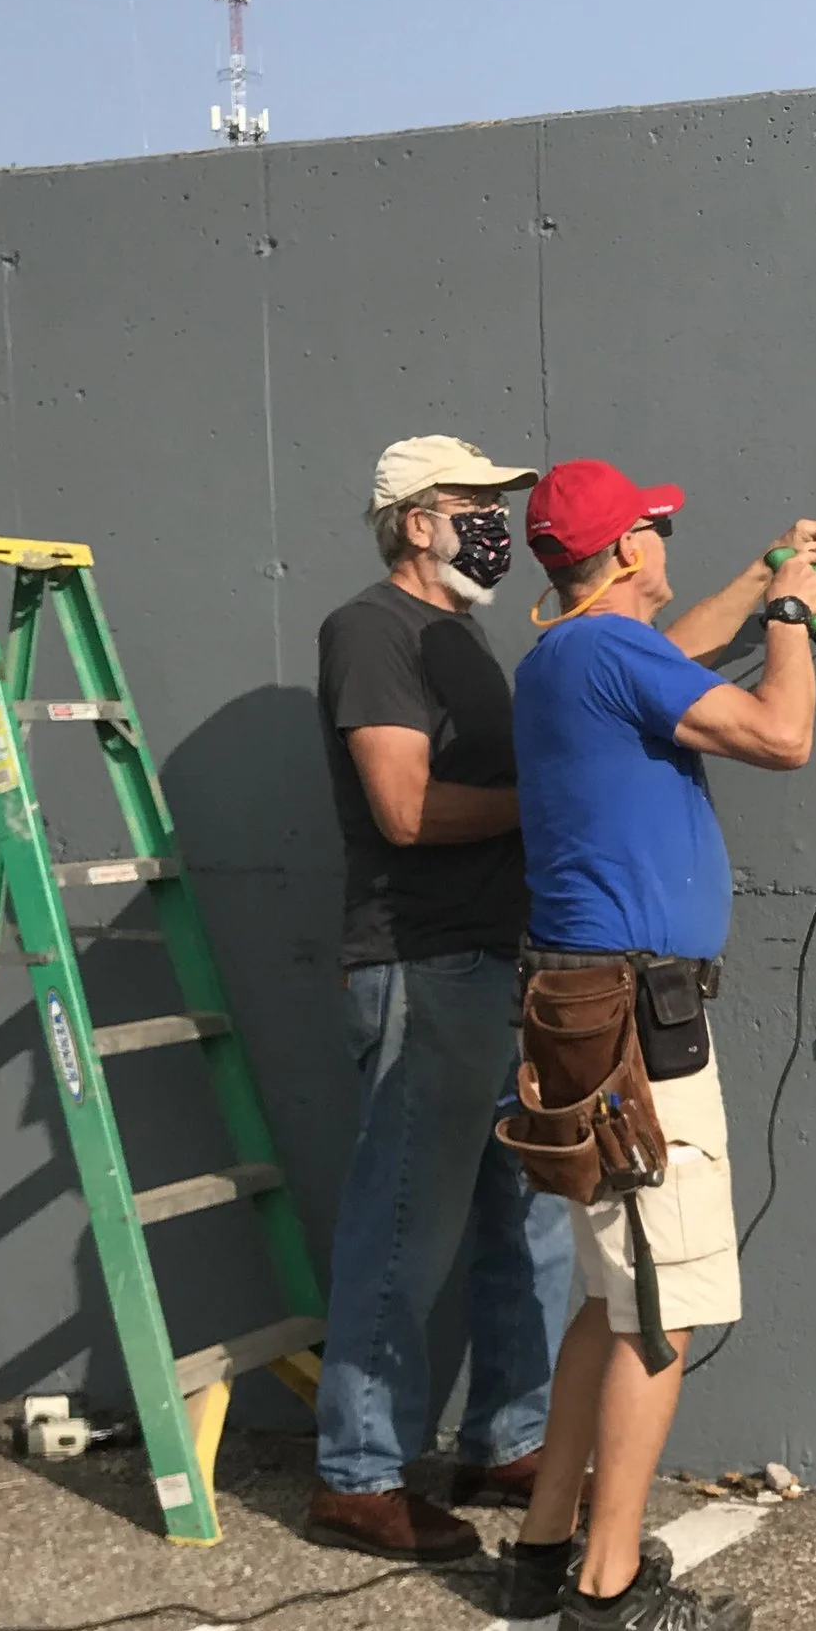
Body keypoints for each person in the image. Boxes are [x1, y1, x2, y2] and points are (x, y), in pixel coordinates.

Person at [500, 456, 816, 1631]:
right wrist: (792, 612)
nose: (665, 541)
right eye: (654, 528)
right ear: (626, 552)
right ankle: (605, 1597)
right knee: (664, 1305)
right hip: (635, 1019)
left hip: (587, 1004)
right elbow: (782, 734)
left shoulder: (571, 652)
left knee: (612, 1294)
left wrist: (763, 573)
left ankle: (545, 1548)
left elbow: (675, 653)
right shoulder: (611, 653)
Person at [308, 435, 577, 1560]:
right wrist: (549, 800)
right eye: (474, 506)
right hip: (426, 967)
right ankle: (358, 1475)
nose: (495, 526)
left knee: (531, 1214)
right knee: (405, 1227)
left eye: (498, 508)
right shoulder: (372, 629)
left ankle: (510, 1440)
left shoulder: (461, 635)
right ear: (416, 521)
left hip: (502, 961)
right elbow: (406, 811)